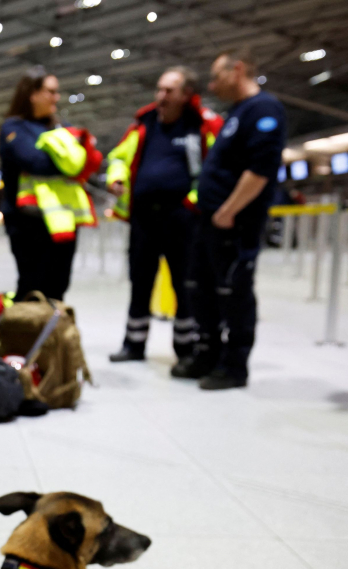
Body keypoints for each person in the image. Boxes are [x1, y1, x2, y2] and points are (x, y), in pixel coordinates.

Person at [177, 47, 286, 389]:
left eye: (216, 76)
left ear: (237, 70)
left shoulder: (263, 108)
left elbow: (261, 169)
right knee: (201, 288)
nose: (212, 84)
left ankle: (234, 365)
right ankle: (208, 353)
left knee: (234, 289)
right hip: (209, 220)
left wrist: (228, 210)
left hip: (233, 223)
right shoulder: (237, 113)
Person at [106, 67, 223, 364]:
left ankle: (185, 348)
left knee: (185, 283)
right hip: (144, 219)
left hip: (181, 220)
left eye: (168, 91)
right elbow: (119, 157)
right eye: (159, 89)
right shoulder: (142, 126)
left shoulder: (198, 128)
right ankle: (134, 344)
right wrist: (116, 178)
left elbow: (210, 171)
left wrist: (191, 203)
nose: (161, 96)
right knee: (139, 281)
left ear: (186, 95)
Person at [0, 66, 97, 301]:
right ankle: (28, 337)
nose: (57, 97)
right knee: (32, 288)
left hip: (63, 220)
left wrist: (71, 161)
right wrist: (68, 162)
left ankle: (54, 337)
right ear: (32, 94)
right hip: (27, 223)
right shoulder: (13, 127)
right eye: (51, 91)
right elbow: (35, 161)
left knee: (59, 286)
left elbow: (85, 160)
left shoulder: (59, 127)